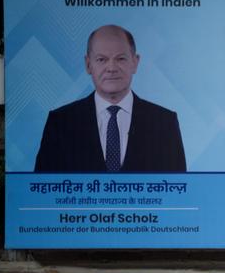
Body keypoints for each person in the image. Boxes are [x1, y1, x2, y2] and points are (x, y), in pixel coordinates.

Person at [34, 24, 186, 172]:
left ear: (135, 62)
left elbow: (179, 191)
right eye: (101, 59)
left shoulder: (164, 122)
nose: (112, 68)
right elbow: (41, 191)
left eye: (121, 59)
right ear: (88, 65)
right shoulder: (60, 123)